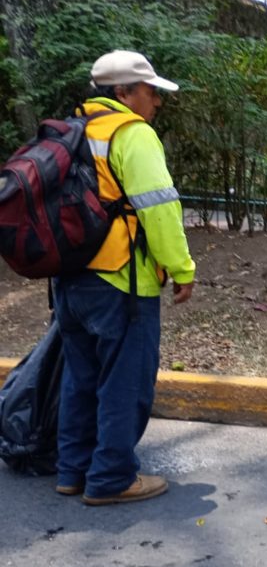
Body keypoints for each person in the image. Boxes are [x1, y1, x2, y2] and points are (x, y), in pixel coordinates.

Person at [52, 50, 196, 505]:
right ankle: (111, 477)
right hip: (120, 279)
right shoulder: (132, 135)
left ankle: (72, 470)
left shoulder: (71, 129)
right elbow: (160, 210)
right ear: (123, 93)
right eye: (150, 91)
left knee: (80, 377)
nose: (156, 101)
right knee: (125, 380)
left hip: (69, 280)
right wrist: (182, 268)